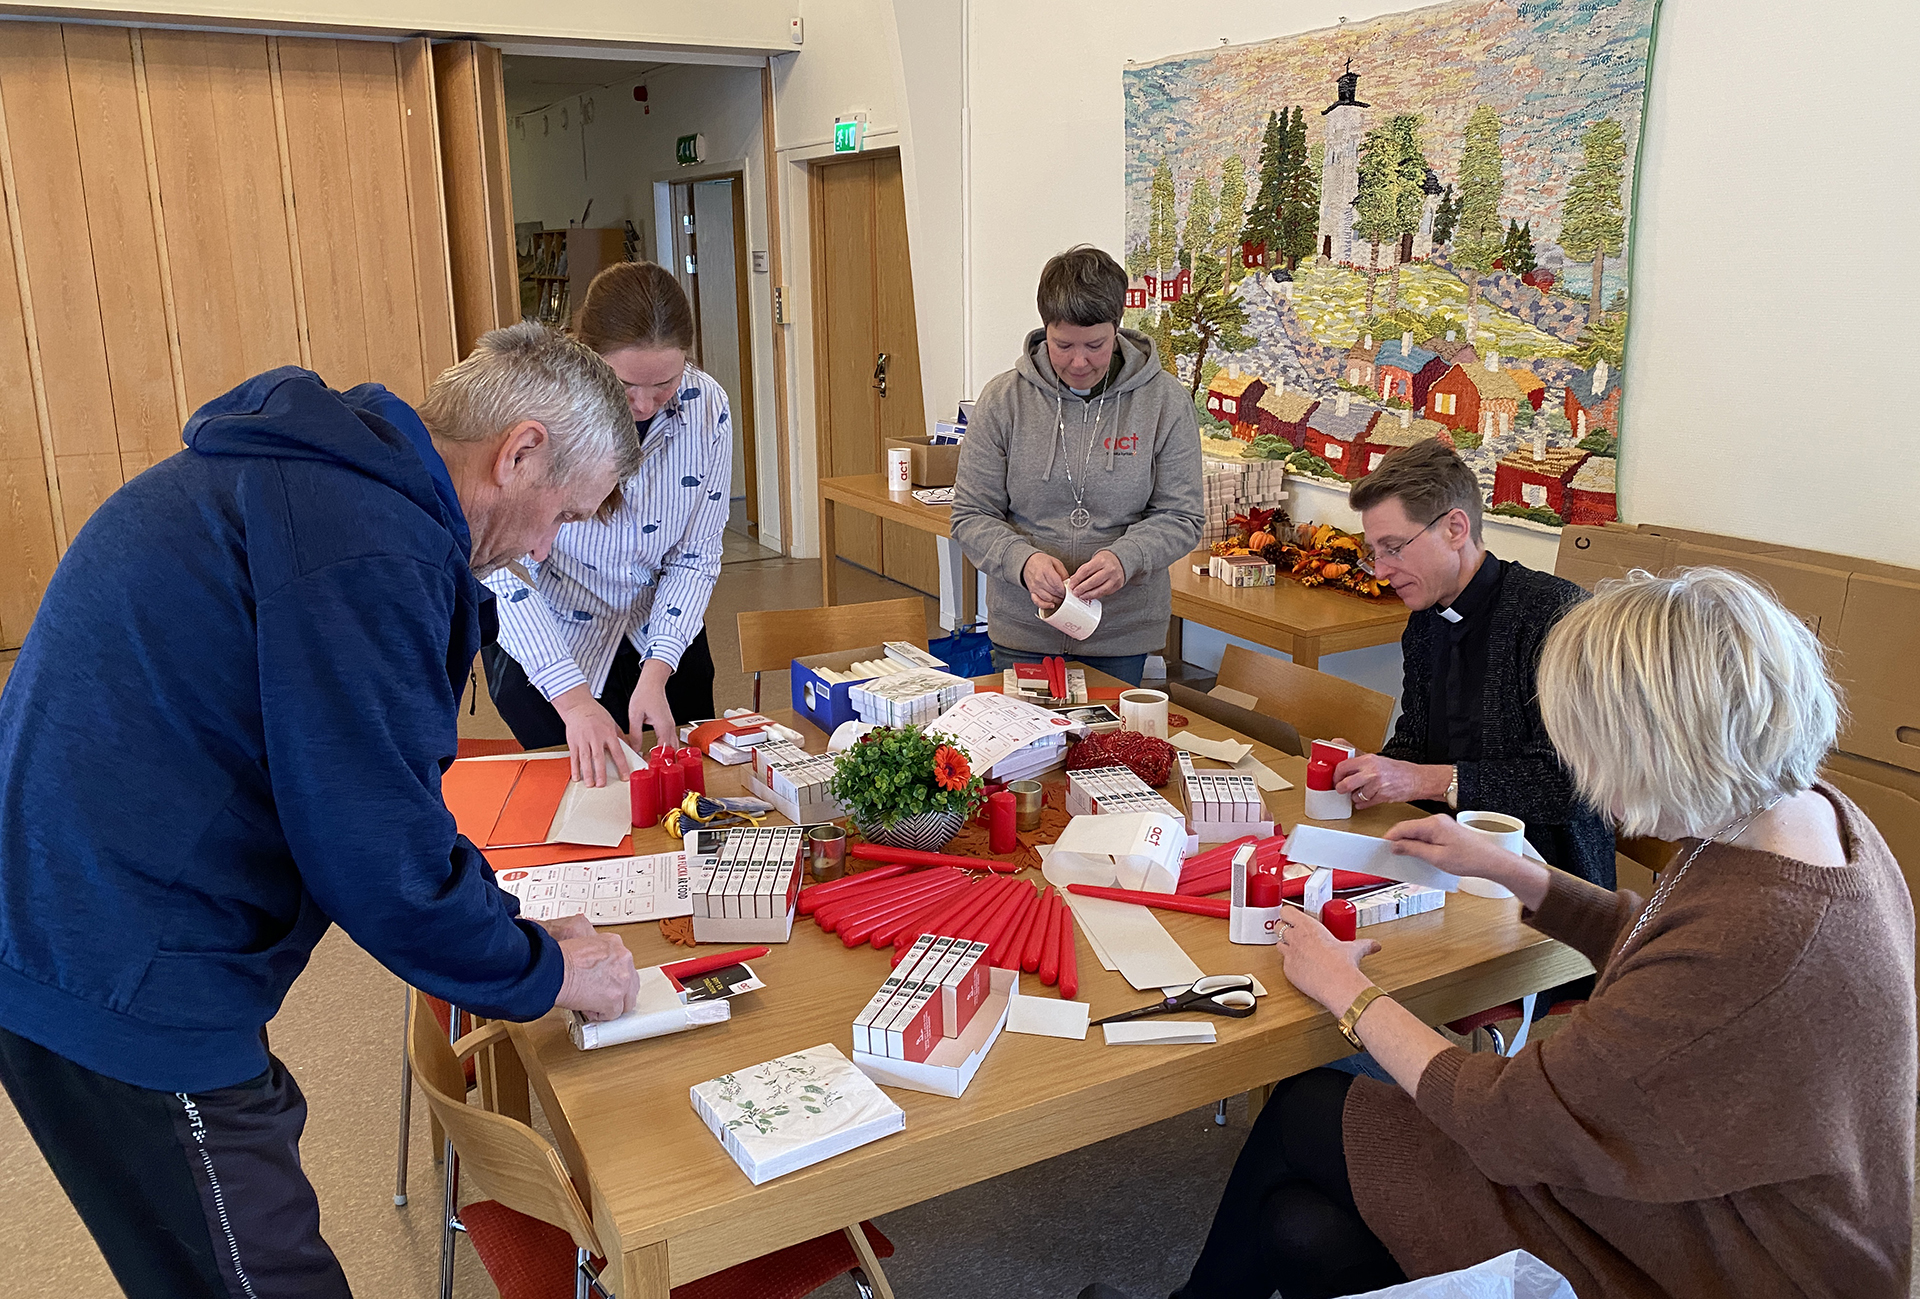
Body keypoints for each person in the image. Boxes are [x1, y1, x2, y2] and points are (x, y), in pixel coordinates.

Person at [0, 324, 646, 1299]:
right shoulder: (365, 545)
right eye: (561, 513)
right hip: (115, 963)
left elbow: (378, 801)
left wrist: (514, 938)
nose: (544, 548)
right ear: (518, 452)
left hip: (94, 918)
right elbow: (380, 858)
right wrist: (548, 970)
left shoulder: (333, 486)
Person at [1166, 567, 1913, 1299]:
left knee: (1306, 1110)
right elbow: (1667, 949)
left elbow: (1507, 1119)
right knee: (1297, 1227)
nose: (1585, 778)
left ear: (1662, 746)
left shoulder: (1761, 934)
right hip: (1700, 1186)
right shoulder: (1806, 814)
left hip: (1722, 1254)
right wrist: (1518, 872)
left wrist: (1349, 993)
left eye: (1589, 749)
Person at [482, 261, 731, 786]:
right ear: (587, 356)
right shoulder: (534, 413)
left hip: (659, 627)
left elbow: (696, 555)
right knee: (581, 800)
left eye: (665, 384)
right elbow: (504, 571)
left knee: (681, 790)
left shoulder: (707, 406)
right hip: (551, 637)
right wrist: (574, 701)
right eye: (625, 385)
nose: (643, 404)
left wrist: (659, 667)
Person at [1333, 437, 1613, 886]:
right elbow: (1416, 742)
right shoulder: (1425, 620)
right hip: (1444, 859)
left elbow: (1570, 788)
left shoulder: (1556, 617)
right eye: (1374, 553)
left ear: (1455, 529)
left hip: (1549, 879)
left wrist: (1424, 781)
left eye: (1393, 547)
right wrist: (1373, 771)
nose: (1381, 571)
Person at [952, 245, 1202, 687]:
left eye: (1095, 345)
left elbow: (1182, 516)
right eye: (1063, 345)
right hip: (1024, 627)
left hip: (1120, 634)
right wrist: (1023, 561)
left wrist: (1126, 558)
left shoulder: (1164, 402)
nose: (1079, 361)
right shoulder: (1004, 401)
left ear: (1117, 328)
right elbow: (971, 514)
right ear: (1044, 329)